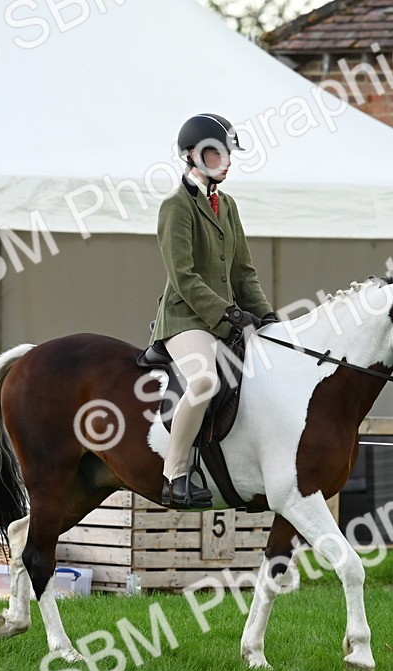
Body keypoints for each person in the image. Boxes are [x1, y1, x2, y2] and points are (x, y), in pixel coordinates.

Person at [150, 113, 277, 508]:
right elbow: (184, 278)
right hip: (186, 318)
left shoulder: (229, 206)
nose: (225, 161)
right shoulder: (176, 206)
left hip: (225, 318)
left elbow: (244, 273)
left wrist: (268, 318)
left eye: (227, 154)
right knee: (204, 381)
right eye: (215, 152)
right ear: (191, 155)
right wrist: (228, 314)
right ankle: (175, 473)